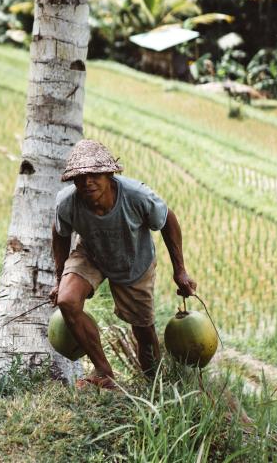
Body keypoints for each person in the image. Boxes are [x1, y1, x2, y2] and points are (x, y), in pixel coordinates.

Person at [49, 139, 197, 390]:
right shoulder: (67, 202)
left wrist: (180, 270)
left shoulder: (136, 196)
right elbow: (60, 233)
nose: (87, 182)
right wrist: (59, 278)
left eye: (94, 175)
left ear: (109, 174)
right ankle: (104, 372)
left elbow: (168, 219)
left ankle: (154, 386)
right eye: (80, 177)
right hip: (91, 253)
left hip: (133, 260)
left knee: (144, 332)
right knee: (67, 300)